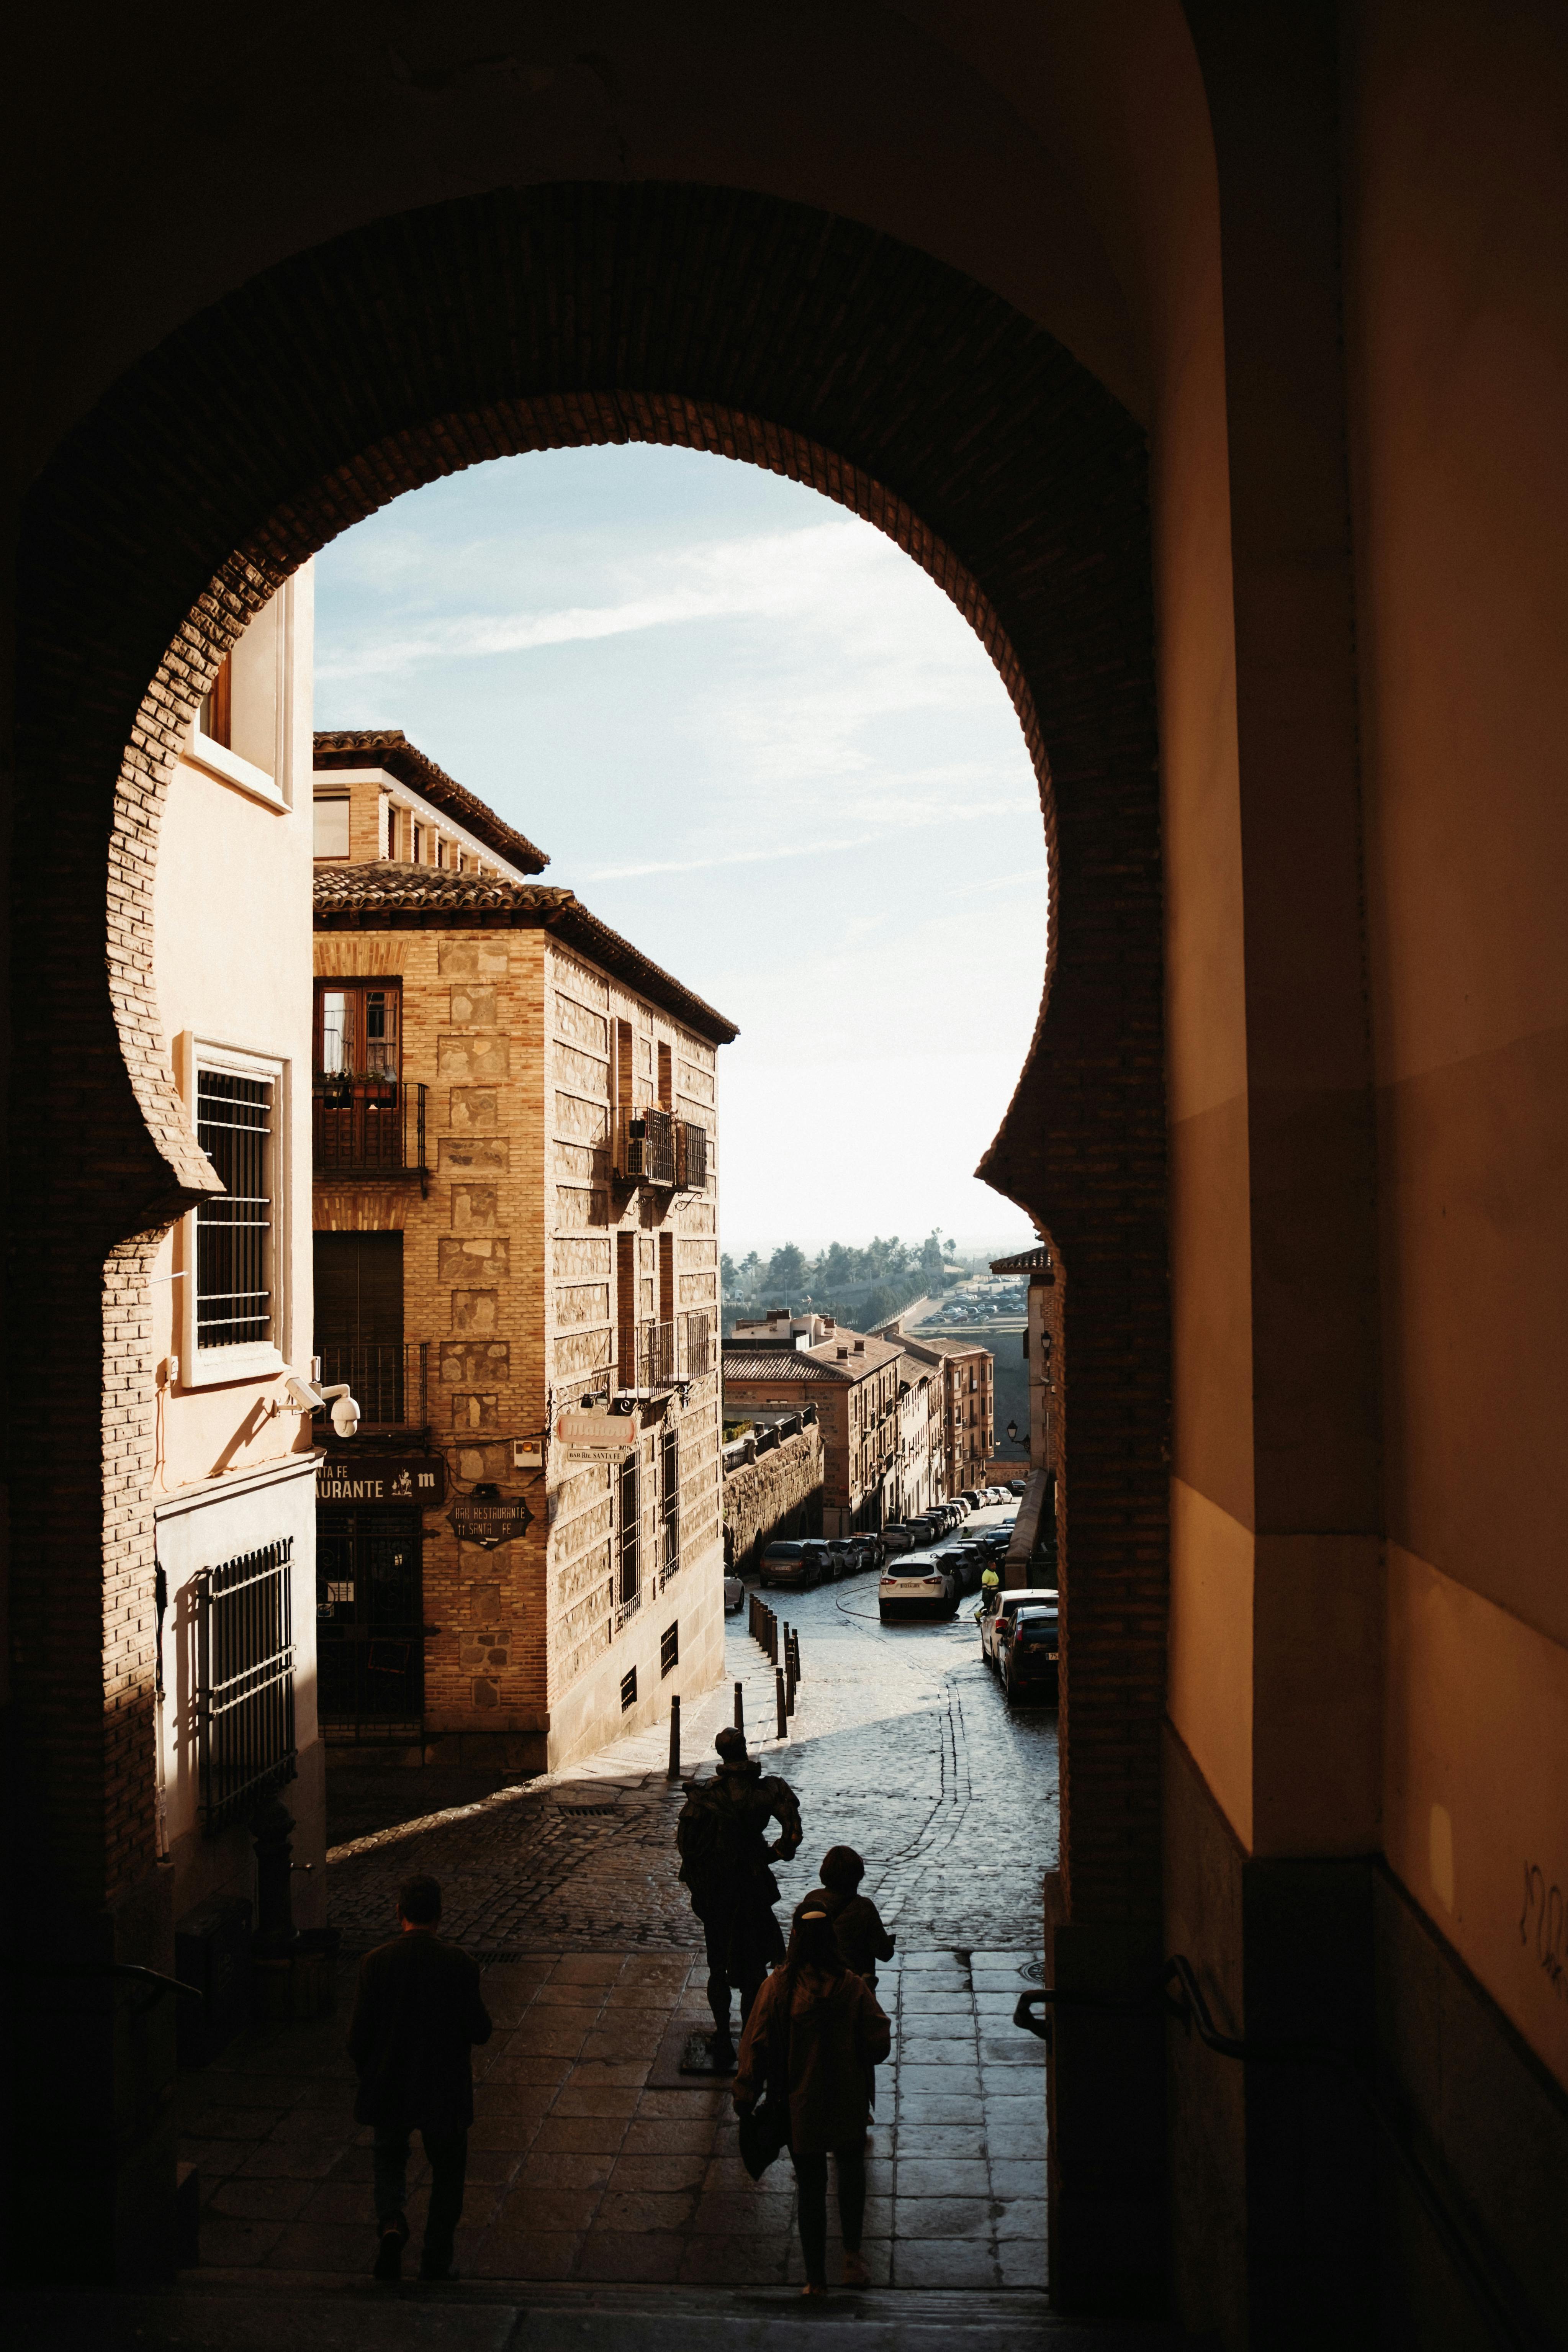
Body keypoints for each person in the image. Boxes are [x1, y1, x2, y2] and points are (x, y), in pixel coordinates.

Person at [733, 1898, 891, 2295]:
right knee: (850, 2178)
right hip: (847, 2101)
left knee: (810, 2188)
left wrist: (746, 2090)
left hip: (800, 2104)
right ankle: (852, 2259)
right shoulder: (852, 1987)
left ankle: (815, 2278)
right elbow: (878, 2042)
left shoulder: (778, 1989)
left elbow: (756, 2042)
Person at [347, 1873, 492, 2284]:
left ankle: (392, 2222)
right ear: (440, 1916)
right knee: (448, 2172)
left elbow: (357, 2039)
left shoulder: (374, 1964)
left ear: (399, 1914)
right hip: (442, 2089)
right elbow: (480, 2030)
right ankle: (435, 2259)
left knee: (388, 2159)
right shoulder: (460, 1964)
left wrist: (371, 2072)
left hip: (391, 2083)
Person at [676, 1724, 802, 2064]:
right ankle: (750, 2036)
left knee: (718, 1965)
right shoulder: (769, 1791)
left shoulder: (704, 1796)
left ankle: (723, 2035)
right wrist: (768, 1856)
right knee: (754, 1969)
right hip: (754, 1888)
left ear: (721, 1754)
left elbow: (687, 1851)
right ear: (744, 1751)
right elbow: (792, 1837)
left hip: (719, 1891)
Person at [816, 1847, 896, 1992]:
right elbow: (885, 1954)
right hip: (855, 1988)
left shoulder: (812, 1899)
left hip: (818, 1984)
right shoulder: (864, 1907)